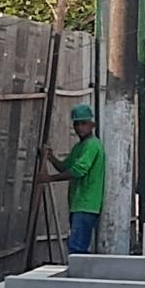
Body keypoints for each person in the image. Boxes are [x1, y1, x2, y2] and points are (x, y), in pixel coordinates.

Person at [39, 103, 105, 255]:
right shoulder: (79, 147)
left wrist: (49, 178)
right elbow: (65, 167)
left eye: (83, 123)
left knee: (77, 249)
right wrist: (50, 157)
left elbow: (78, 170)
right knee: (76, 247)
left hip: (87, 204)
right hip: (78, 203)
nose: (80, 127)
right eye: (77, 124)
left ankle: (82, 276)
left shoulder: (92, 145)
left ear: (92, 125)